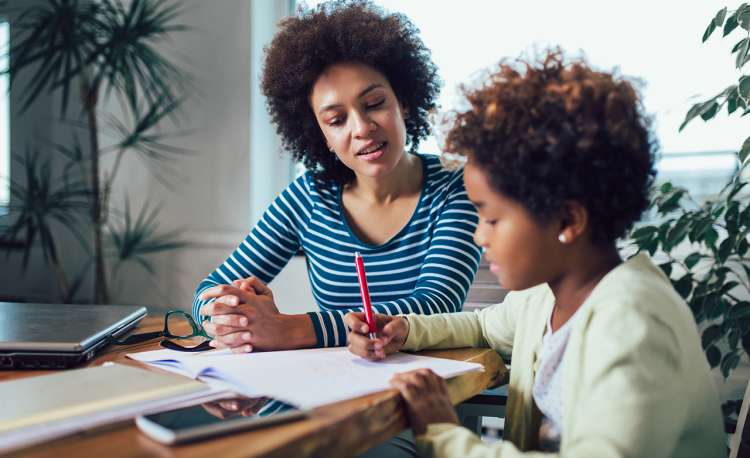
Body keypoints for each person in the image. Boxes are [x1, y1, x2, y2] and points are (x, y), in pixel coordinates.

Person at [346, 51, 726, 457]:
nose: (479, 236)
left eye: (492, 219)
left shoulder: (631, 322)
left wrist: (442, 431)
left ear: (567, 221)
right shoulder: (545, 296)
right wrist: (405, 328)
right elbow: (483, 328)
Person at [192, 1, 481, 356]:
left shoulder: (457, 187)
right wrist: (229, 319)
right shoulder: (309, 197)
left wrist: (288, 328)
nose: (362, 128)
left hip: (427, 390)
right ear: (321, 136)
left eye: (374, 103)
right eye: (336, 120)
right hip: (333, 389)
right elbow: (208, 291)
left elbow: (435, 307)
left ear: (403, 102)